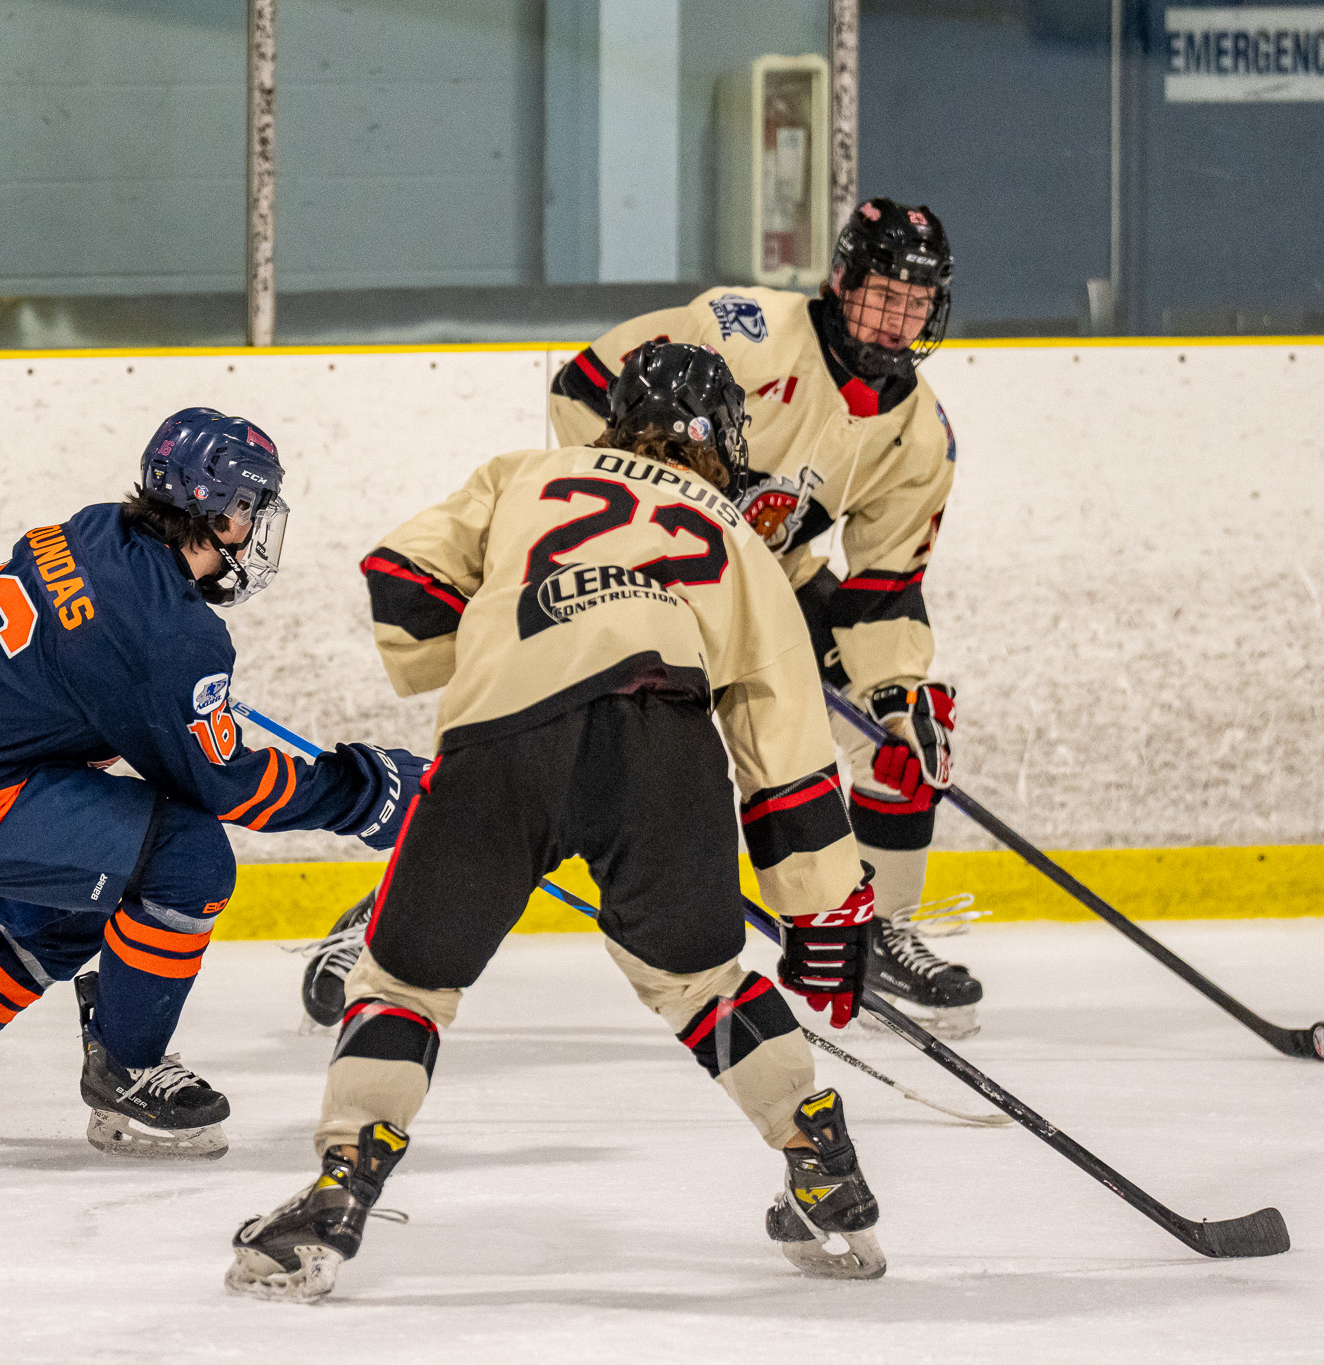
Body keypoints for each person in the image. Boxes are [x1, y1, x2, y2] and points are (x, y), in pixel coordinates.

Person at [228, 342, 887, 1302]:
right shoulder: (741, 540)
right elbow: (784, 744)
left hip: (505, 738)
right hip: (664, 747)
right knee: (701, 980)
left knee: (406, 980)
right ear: (720, 438)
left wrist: (510, 634)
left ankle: (340, 1188)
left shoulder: (524, 473)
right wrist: (824, 904)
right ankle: (817, 1154)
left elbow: (401, 584)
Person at [0, 407, 427, 1160]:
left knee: (68, 909)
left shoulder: (101, 528)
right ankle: (128, 1075)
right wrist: (368, 792)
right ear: (219, 509)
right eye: (250, 508)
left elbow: (95, 671)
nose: (252, 527)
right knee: (187, 860)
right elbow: (224, 786)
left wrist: (167, 705)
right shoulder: (167, 634)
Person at [548, 197, 979, 1036]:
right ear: (840, 280)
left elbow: (884, 584)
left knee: (899, 740)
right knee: (543, 760)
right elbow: (584, 388)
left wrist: (896, 692)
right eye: (883, 294)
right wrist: (639, 523)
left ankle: (880, 931)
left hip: (766, 586)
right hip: (644, 576)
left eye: (917, 301)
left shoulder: (920, 435)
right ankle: (386, 915)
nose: (898, 319)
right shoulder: (742, 330)